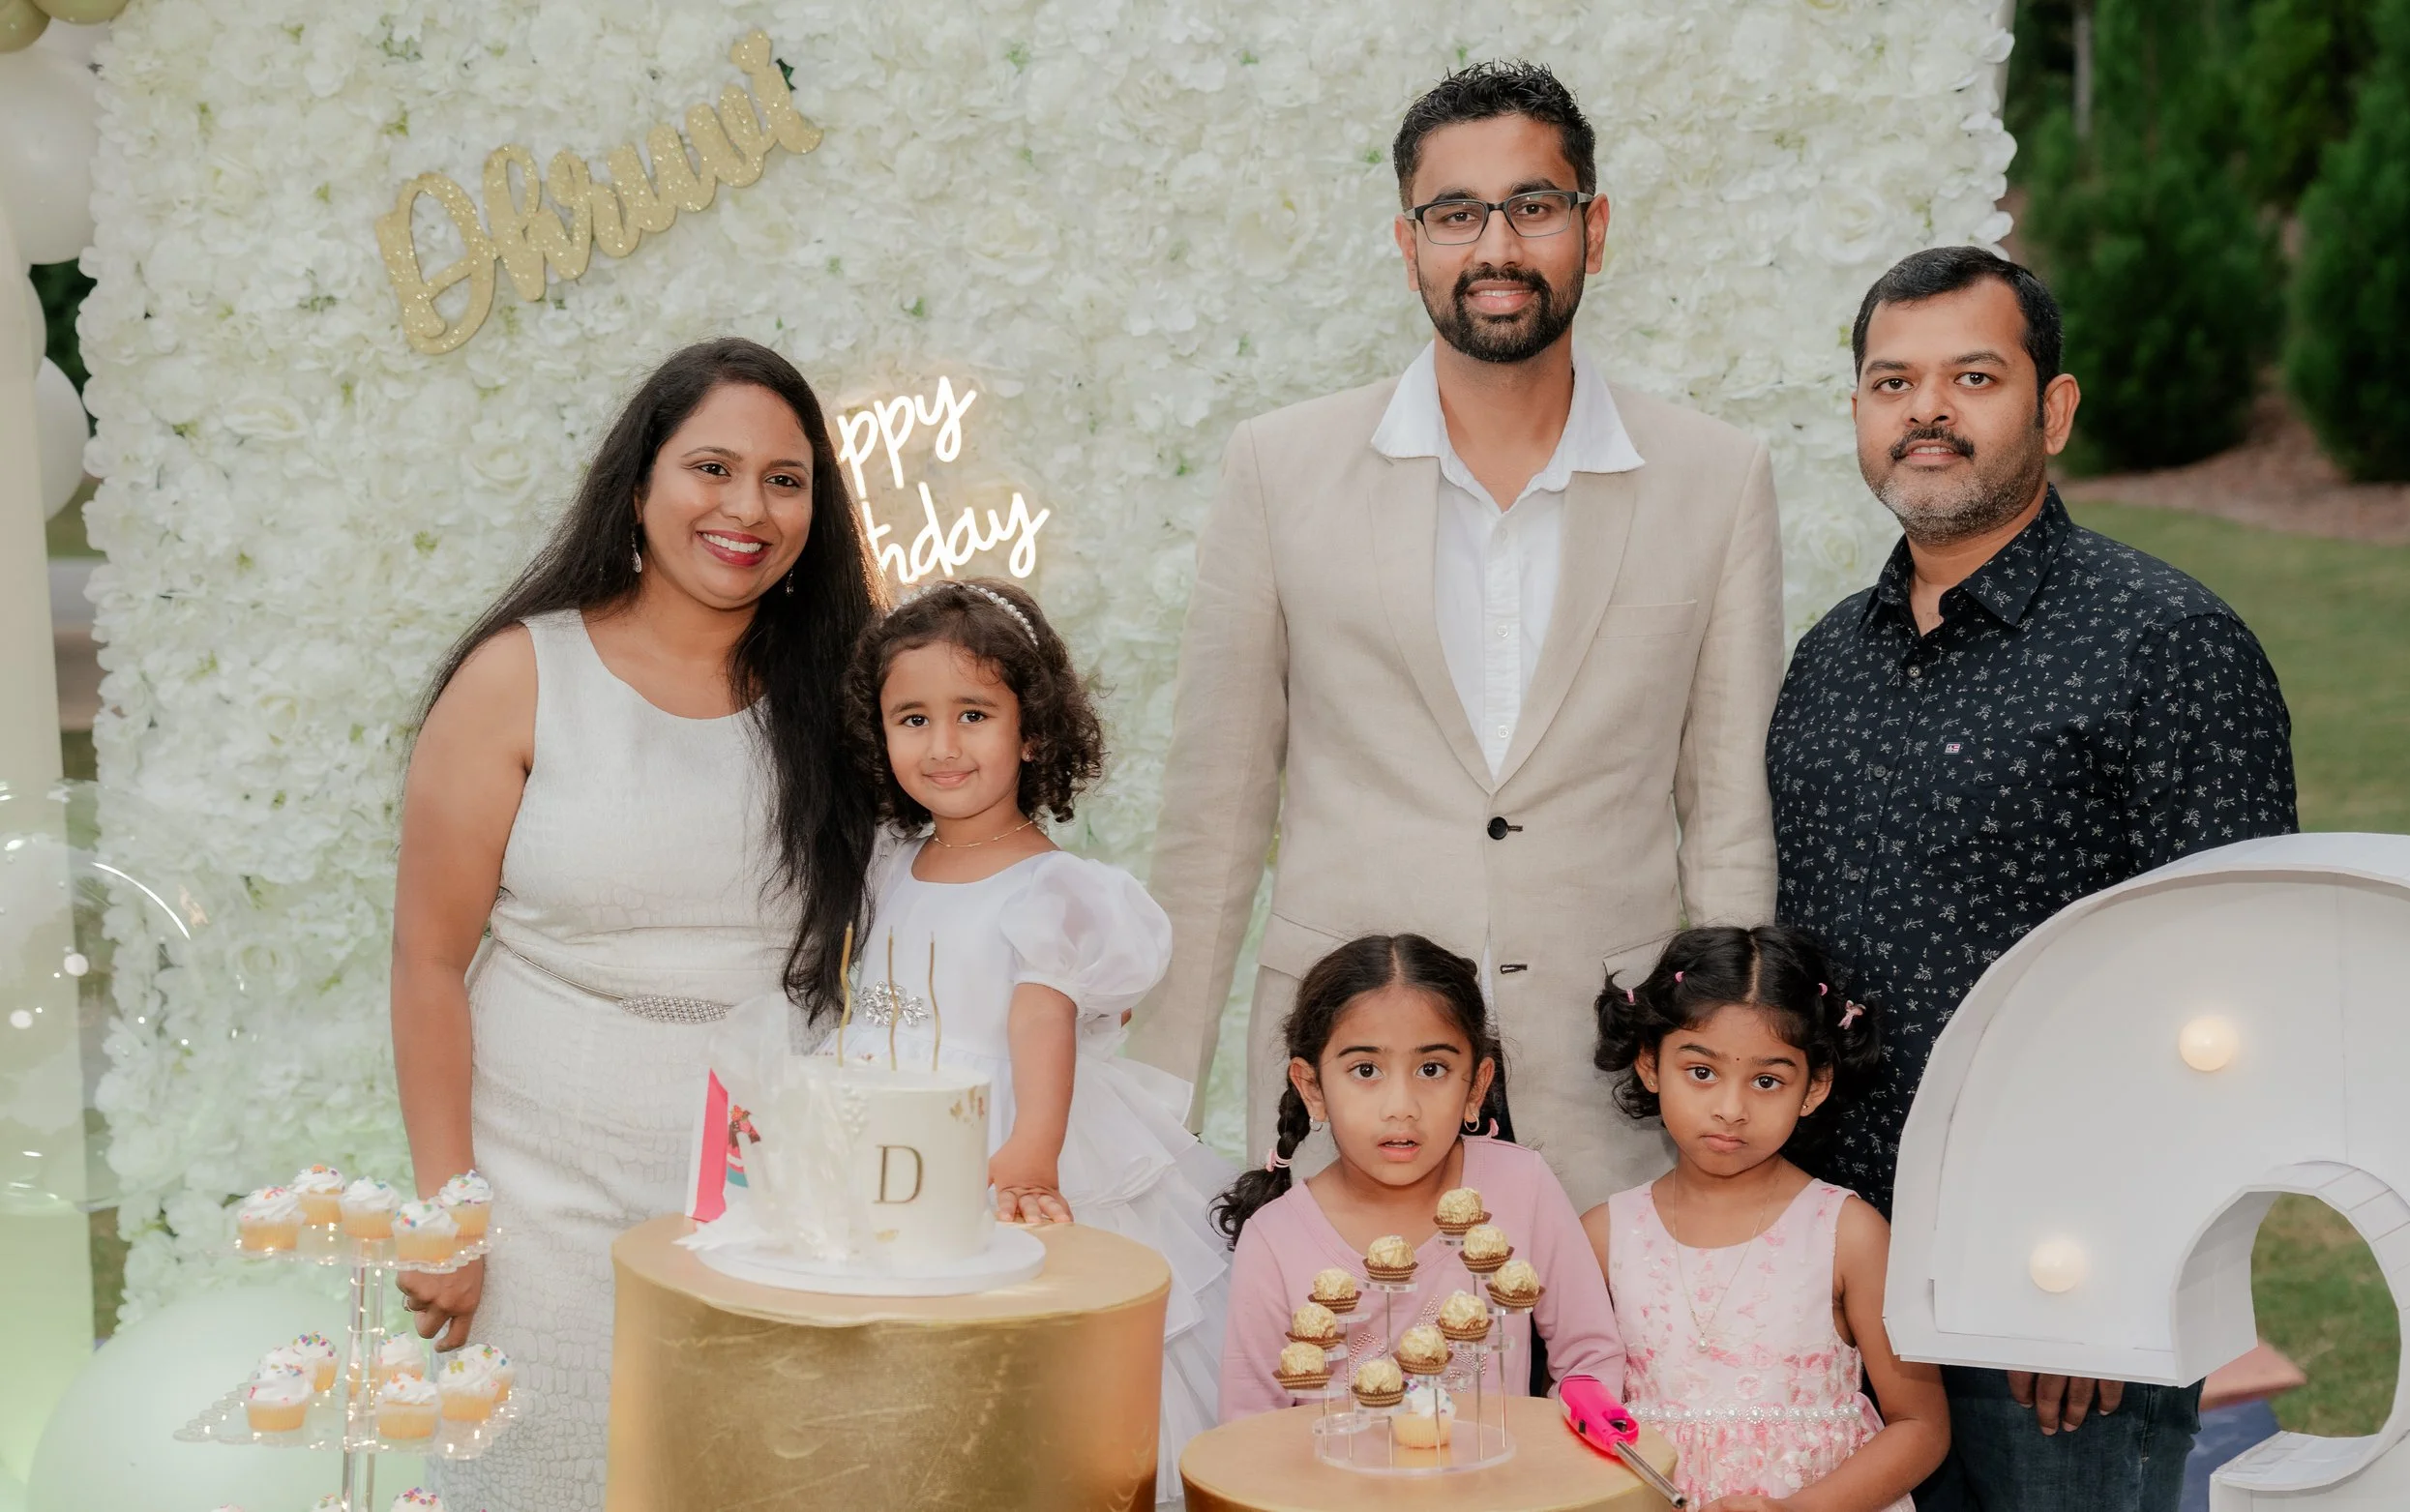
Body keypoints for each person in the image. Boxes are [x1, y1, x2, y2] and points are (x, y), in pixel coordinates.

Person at [1134, 59, 1784, 1205]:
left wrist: (1729, 1097)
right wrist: (1147, 1113)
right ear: (1407, 244)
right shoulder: (1278, 469)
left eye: (1533, 206)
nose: (1496, 246)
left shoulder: (1716, 479)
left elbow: (1728, 822)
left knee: (1590, 1339)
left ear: (1593, 230)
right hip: (1346, 1069)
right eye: (1454, 214)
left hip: (1607, 1083)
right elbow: (1215, 814)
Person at [1765, 246, 2299, 1511]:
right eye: (1892, 381)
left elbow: (2235, 988)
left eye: (1973, 377)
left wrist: (2104, 1267)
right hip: (1843, 1289)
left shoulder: (2165, 643)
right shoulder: (1827, 660)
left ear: (2052, 409)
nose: (1926, 410)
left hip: (2056, 1310)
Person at [390, 338, 880, 1511]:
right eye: (711, 468)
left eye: (784, 480)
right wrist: (449, 1210)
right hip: (539, 1197)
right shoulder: (519, 675)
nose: (747, 508)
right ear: (638, 486)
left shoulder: (850, 692)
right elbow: (426, 960)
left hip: (776, 1196)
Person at [828, 578, 1233, 1494]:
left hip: (1000, 1148)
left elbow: (1039, 1016)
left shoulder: (1053, 889)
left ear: (1033, 731)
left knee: (1016, 1391)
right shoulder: (889, 864)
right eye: (913, 719)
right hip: (885, 1146)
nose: (943, 745)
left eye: (973, 714)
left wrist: (1032, 1149)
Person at [1584, 926, 1949, 1512]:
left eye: (1766, 1081)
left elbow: (1920, 1426)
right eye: (1701, 1072)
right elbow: (1572, 1412)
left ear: (1814, 1087)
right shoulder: (1604, 1235)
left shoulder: (1849, 1234)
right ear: (1650, 1065)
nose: (1731, 1109)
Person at [1214, 934, 1624, 1421]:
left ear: (1476, 1087)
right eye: (1366, 1070)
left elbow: (1591, 1357)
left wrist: (1546, 1456)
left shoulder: (1522, 1185)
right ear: (1312, 1087)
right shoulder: (1274, 1240)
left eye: (1431, 1069)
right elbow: (1250, 1427)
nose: (1401, 1107)